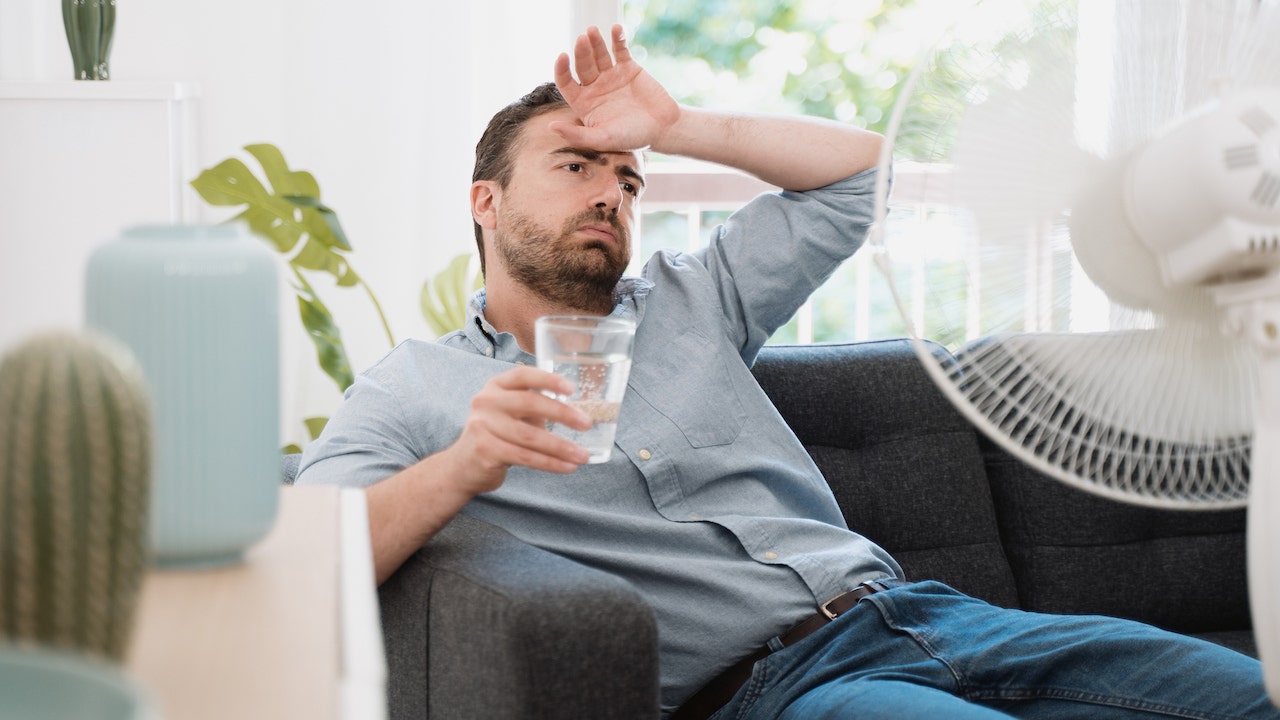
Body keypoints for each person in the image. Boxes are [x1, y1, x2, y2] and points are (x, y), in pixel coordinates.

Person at [296, 24, 1278, 720]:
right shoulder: (415, 389)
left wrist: (671, 128)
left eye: (625, 176)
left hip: (926, 614)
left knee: (1245, 696)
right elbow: (315, 563)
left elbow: (859, 178)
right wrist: (465, 464)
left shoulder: (691, 299)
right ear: (485, 201)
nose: (610, 191)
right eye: (575, 166)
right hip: (779, 688)